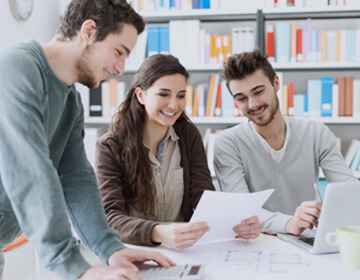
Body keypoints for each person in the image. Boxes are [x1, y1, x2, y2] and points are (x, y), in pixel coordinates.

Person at [0, 1, 174, 280]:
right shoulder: (16, 69)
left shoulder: (71, 102)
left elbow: (76, 178)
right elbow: (29, 171)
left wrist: (110, 248)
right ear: (89, 30)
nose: (120, 68)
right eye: (119, 52)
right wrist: (73, 267)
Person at [96, 54, 260, 249]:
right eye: (164, 94)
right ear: (141, 95)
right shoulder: (110, 146)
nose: (174, 105)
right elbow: (110, 217)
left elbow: (203, 199)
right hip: (134, 251)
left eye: (181, 95)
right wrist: (157, 232)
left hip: (184, 249)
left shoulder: (188, 136)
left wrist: (234, 223)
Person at [214, 50, 357, 236]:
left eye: (258, 92)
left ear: (275, 83)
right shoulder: (227, 143)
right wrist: (289, 223)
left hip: (307, 236)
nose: (253, 104)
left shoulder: (315, 133)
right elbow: (241, 210)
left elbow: (348, 190)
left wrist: (330, 211)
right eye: (241, 98)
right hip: (256, 242)